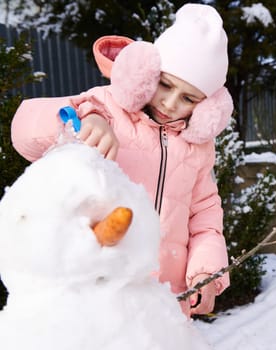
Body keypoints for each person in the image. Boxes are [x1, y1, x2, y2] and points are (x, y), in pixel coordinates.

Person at [10, 3, 233, 317]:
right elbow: (24, 131)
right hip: (98, 292)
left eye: (188, 98)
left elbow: (205, 216)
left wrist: (207, 272)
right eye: (165, 84)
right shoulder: (105, 105)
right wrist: (85, 119)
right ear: (149, 72)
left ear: (207, 105)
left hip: (164, 299)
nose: (171, 103)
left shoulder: (199, 147)